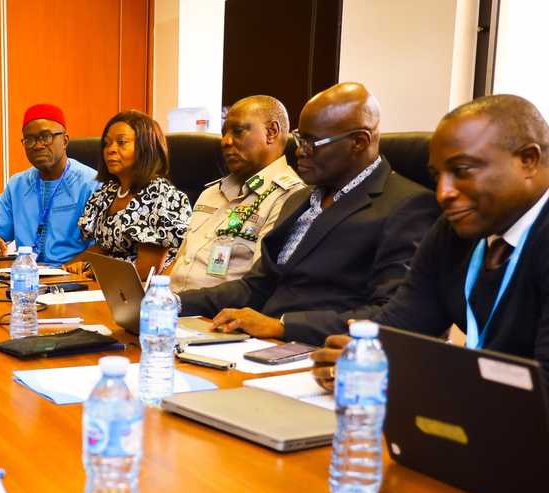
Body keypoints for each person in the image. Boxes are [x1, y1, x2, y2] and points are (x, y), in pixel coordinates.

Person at [312, 94, 549, 389]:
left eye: (462, 171)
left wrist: (402, 371)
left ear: (528, 160)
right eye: (437, 176)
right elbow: (404, 323)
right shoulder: (453, 231)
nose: (443, 193)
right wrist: (360, 356)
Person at [178, 82, 440, 344]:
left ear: (359, 142)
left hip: (324, 350)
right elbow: (256, 287)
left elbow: (392, 313)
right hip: (261, 345)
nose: (299, 151)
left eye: (312, 142)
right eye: (300, 138)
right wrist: (173, 302)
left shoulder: (408, 206)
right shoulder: (299, 199)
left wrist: (282, 327)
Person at [168, 95, 305, 291]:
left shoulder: (290, 196)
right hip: (171, 303)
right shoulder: (211, 192)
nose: (225, 141)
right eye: (224, 133)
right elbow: (181, 262)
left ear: (271, 132)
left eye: (238, 131)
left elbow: (258, 288)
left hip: (218, 308)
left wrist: (180, 301)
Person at [0, 103, 98, 264]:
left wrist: (69, 269)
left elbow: (102, 247)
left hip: (75, 275)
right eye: (30, 140)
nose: (38, 146)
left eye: (46, 137)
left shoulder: (92, 185)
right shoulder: (17, 185)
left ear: (65, 140)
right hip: (25, 274)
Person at [77, 109, 192, 279]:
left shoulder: (161, 196)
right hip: (105, 281)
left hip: (142, 288)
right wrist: (71, 266)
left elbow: (146, 272)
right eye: (107, 143)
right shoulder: (107, 192)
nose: (110, 149)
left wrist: (98, 273)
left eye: (121, 142)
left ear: (146, 148)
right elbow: (103, 247)